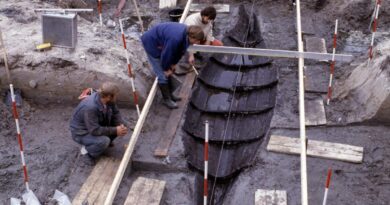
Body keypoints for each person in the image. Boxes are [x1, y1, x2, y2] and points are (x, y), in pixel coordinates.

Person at [141, 23, 205, 109]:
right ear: (191, 37)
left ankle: (170, 94)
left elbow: (180, 51)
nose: (198, 42)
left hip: (161, 41)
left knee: (169, 69)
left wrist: (174, 64)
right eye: (197, 40)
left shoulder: (185, 35)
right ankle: (166, 99)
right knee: (162, 74)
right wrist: (166, 69)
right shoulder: (175, 38)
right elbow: (166, 55)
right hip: (151, 42)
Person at [70, 82, 128, 165]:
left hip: (94, 125)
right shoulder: (90, 108)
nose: (116, 97)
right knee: (104, 141)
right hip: (81, 133)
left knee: (121, 126)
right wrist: (115, 130)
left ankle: (101, 143)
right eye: (115, 95)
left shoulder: (108, 100)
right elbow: (94, 130)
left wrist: (120, 124)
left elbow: (116, 113)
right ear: (109, 96)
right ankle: (86, 152)